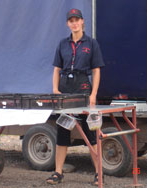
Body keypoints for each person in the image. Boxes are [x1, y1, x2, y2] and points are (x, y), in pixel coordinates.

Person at [46, 8, 105, 185]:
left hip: (83, 88)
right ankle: (58, 173)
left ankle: (98, 173)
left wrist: (93, 94)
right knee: (63, 131)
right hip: (65, 90)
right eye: (71, 20)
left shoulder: (91, 43)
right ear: (67, 24)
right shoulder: (62, 44)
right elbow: (56, 69)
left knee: (91, 133)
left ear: (82, 22)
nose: (74, 23)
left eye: (77, 20)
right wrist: (55, 89)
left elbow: (96, 70)